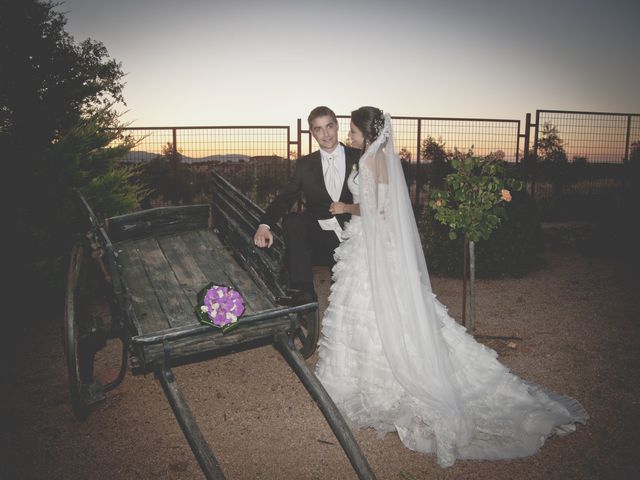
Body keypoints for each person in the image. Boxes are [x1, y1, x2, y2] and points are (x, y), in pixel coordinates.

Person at [315, 106, 588, 468]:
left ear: (367, 132)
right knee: (379, 309)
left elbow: (377, 209)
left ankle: (369, 379)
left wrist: (344, 206)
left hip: (370, 246)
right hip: (373, 245)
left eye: (351, 130)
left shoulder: (370, 161)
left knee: (372, 307)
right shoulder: (374, 157)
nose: (348, 135)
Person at [254, 106, 361, 305]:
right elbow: (286, 198)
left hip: (354, 232)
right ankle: (304, 290)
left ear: (337, 126)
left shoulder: (359, 157)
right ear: (312, 133)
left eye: (329, 126)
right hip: (321, 236)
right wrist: (264, 225)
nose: (326, 134)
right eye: (318, 129)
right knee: (292, 220)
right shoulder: (305, 165)